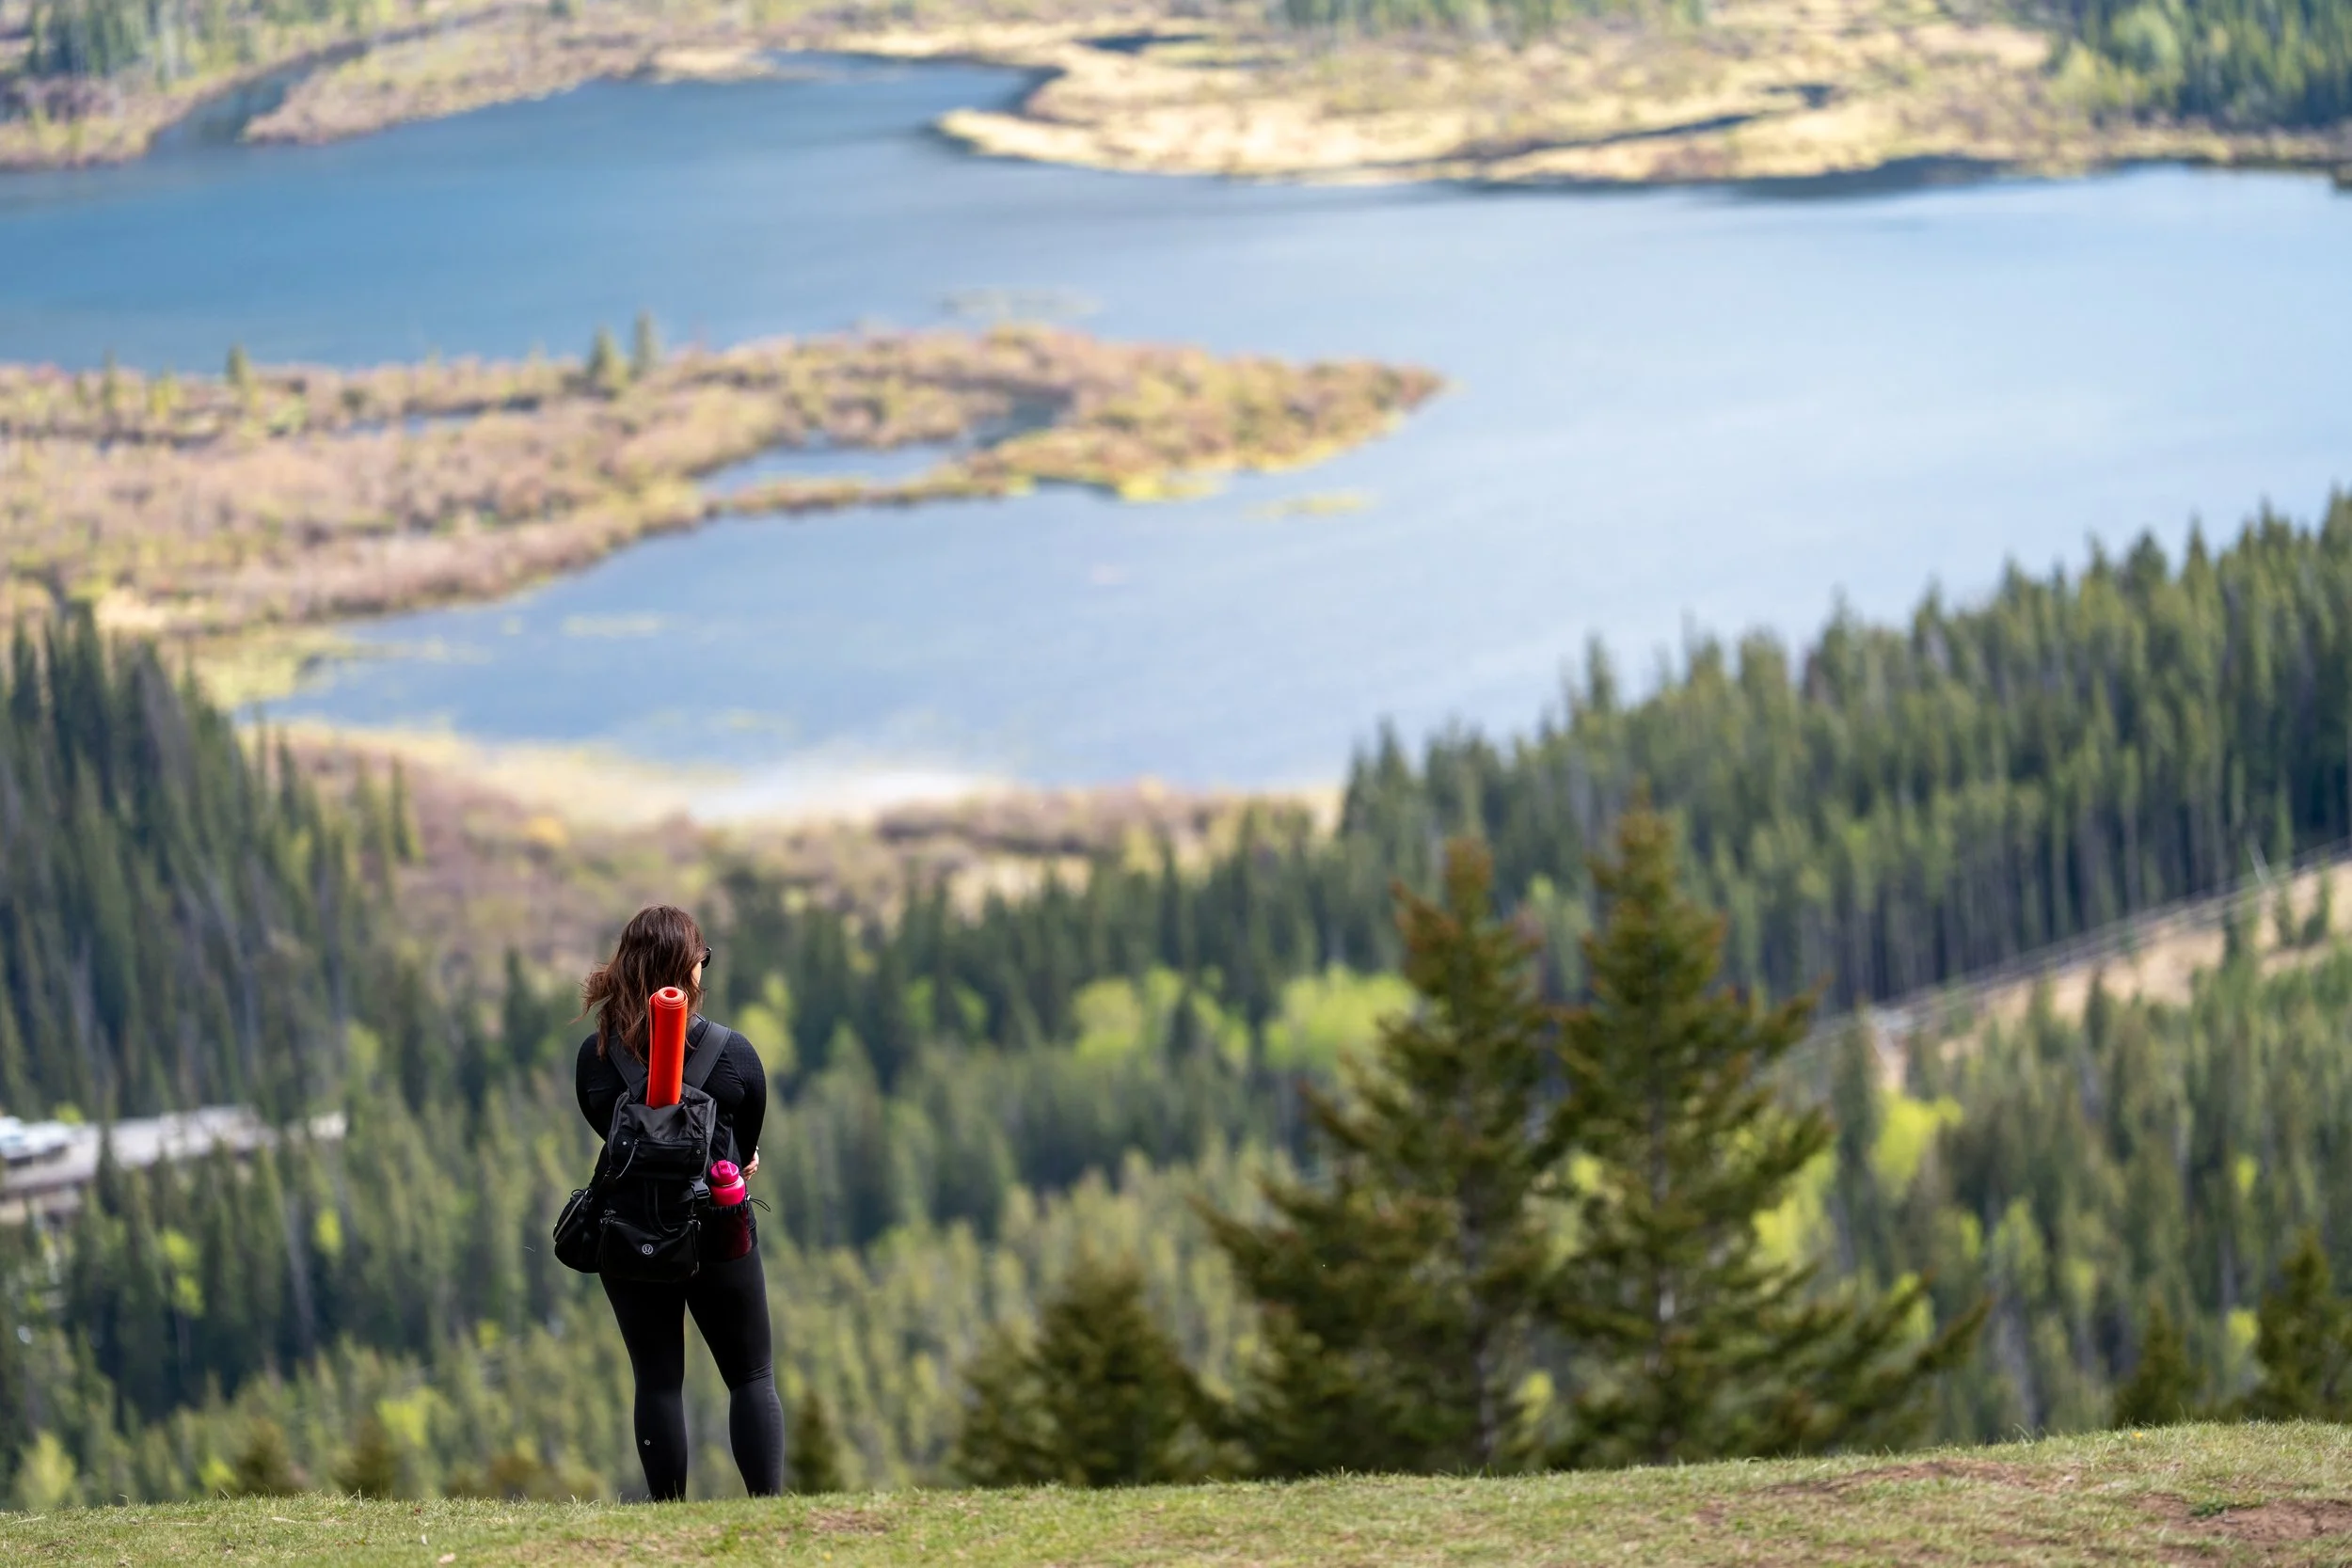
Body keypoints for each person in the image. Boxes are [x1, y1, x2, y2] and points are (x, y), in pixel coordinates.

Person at [577, 903, 783, 1499]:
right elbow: (745, 1144)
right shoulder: (734, 1053)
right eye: (702, 959)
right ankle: (767, 1514)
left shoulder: (594, 1061)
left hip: (629, 1232)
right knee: (751, 1375)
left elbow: (605, 1127)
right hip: (717, 1227)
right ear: (687, 969)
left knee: (658, 1382)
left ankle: (668, 1520)